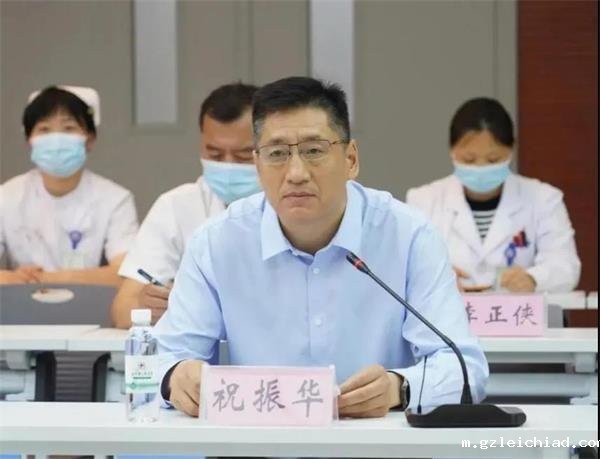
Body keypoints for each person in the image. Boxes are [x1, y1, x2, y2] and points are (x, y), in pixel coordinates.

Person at [153, 76, 488, 419]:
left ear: (351, 159)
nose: (296, 173)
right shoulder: (217, 242)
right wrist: (175, 376)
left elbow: (465, 369)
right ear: (257, 165)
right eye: (277, 154)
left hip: (372, 440)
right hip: (258, 439)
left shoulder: (409, 236)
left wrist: (399, 388)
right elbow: (160, 359)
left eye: (314, 151)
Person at [111, 83, 260, 328]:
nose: (228, 165)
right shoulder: (176, 206)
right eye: (215, 154)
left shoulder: (294, 204)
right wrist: (146, 305)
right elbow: (122, 310)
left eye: (243, 155)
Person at [406, 97, 581, 293]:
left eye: (493, 159)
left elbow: (565, 266)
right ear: (452, 150)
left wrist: (533, 278)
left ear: (511, 149)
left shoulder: (544, 199)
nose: (480, 168)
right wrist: (434, 276)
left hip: (520, 310)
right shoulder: (423, 201)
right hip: (448, 311)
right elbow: (403, 266)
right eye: (469, 159)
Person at [0, 85, 138, 286]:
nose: (56, 140)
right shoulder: (6, 197)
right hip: (21, 304)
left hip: (90, 304)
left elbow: (126, 274)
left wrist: (47, 279)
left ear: (89, 139)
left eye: (69, 128)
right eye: (44, 129)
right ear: (29, 141)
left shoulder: (116, 200)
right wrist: (12, 278)